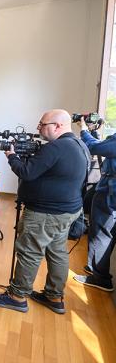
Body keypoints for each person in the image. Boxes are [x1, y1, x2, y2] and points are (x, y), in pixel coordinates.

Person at [0, 109, 89, 314]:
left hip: (46, 213)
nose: (38, 128)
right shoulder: (79, 145)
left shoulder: (55, 148)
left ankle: (17, 296)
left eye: (42, 124)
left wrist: (12, 156)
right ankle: (54, 296)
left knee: (29, 252)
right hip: (67, 211)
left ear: (57, 126)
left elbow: (26, 172)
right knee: (57, 252)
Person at [75, 117, 116, 291]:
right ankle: (97, 270)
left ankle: (100, 277)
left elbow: (95, 147)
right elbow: (105, 146)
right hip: (109, 191)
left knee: (101, 232)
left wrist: (84, 129)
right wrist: (94, 132)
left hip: (110, 193)